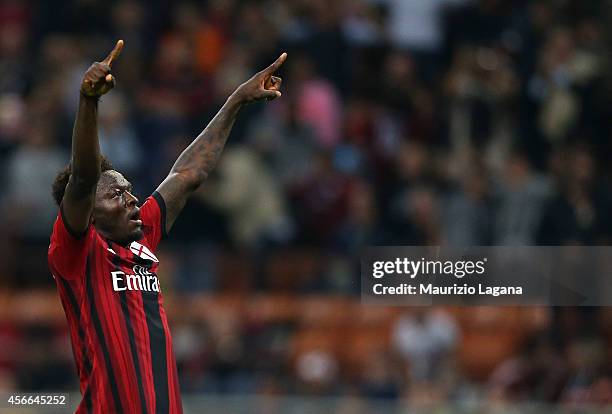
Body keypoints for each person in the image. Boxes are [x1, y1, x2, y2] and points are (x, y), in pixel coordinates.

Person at [47, 39, 286, 414]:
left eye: (130, 191)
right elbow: (82, 179)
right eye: (116, 195)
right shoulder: (76, 253)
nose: (131, 200)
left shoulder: (142, 235)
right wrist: (89, 101)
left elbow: (189, 173)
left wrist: (236, 99)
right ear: (87, 214)